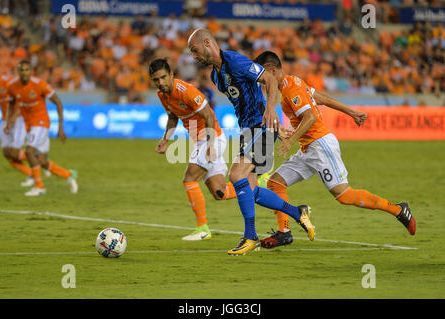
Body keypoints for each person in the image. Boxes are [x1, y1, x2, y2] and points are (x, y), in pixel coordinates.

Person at [253, 51, 416, 249]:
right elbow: (321, 98)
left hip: (320, 145)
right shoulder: (293, 82)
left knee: (344, 195)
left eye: (262, 77)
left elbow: (311, 117)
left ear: (272, 70)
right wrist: (352, 112)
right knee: (275, 183)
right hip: (308, 147)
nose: (261, 81)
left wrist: (290, 140)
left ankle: (398, 210)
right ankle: (284, 233)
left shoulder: (290, 89)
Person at [187, 29, 315, 256]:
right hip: (248, 130)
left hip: (261, 125)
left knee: (236, 175)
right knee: (251, 190)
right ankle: (298, 213)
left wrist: (271, 113)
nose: (194, 56)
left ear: (207, 42)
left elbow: (269, 79)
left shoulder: (235, 61)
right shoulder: (216, 76)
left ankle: (250, 237)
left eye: (195, 50)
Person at [150, 58, 237, 241]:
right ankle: (258, 183)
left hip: (211, 138)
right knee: (220, 193)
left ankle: (202, 229)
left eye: (164, 77)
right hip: (201, 142)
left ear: (172, 75)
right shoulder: (162, 94)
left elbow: (208, 116)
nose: (161, 83)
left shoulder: (186, 91)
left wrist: (212, 144)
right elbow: (173, 117)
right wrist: (166, 139)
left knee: (189, 179)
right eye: (156, 79)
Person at [5, 59, 78, 196]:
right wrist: (9, 121)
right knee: (42, 161)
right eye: (22, 70)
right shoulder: (12, 86)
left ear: (31, 71)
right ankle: (69, 174)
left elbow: (58, 101)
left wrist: (60, 127)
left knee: (29, 151)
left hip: (41, 123)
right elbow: (11, 102)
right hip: (29, 124)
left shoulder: (40, 84)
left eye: (27, 70)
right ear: (18, 71)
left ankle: (39, 187)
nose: (24, 73)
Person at [0, 58, 33, 185]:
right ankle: (31, 174)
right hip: (5, 120)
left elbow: (21, 98)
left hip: (18, 118)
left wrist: (14, 116)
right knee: (7, 153)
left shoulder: (8, 82)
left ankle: (41, 161)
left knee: (15, 152)